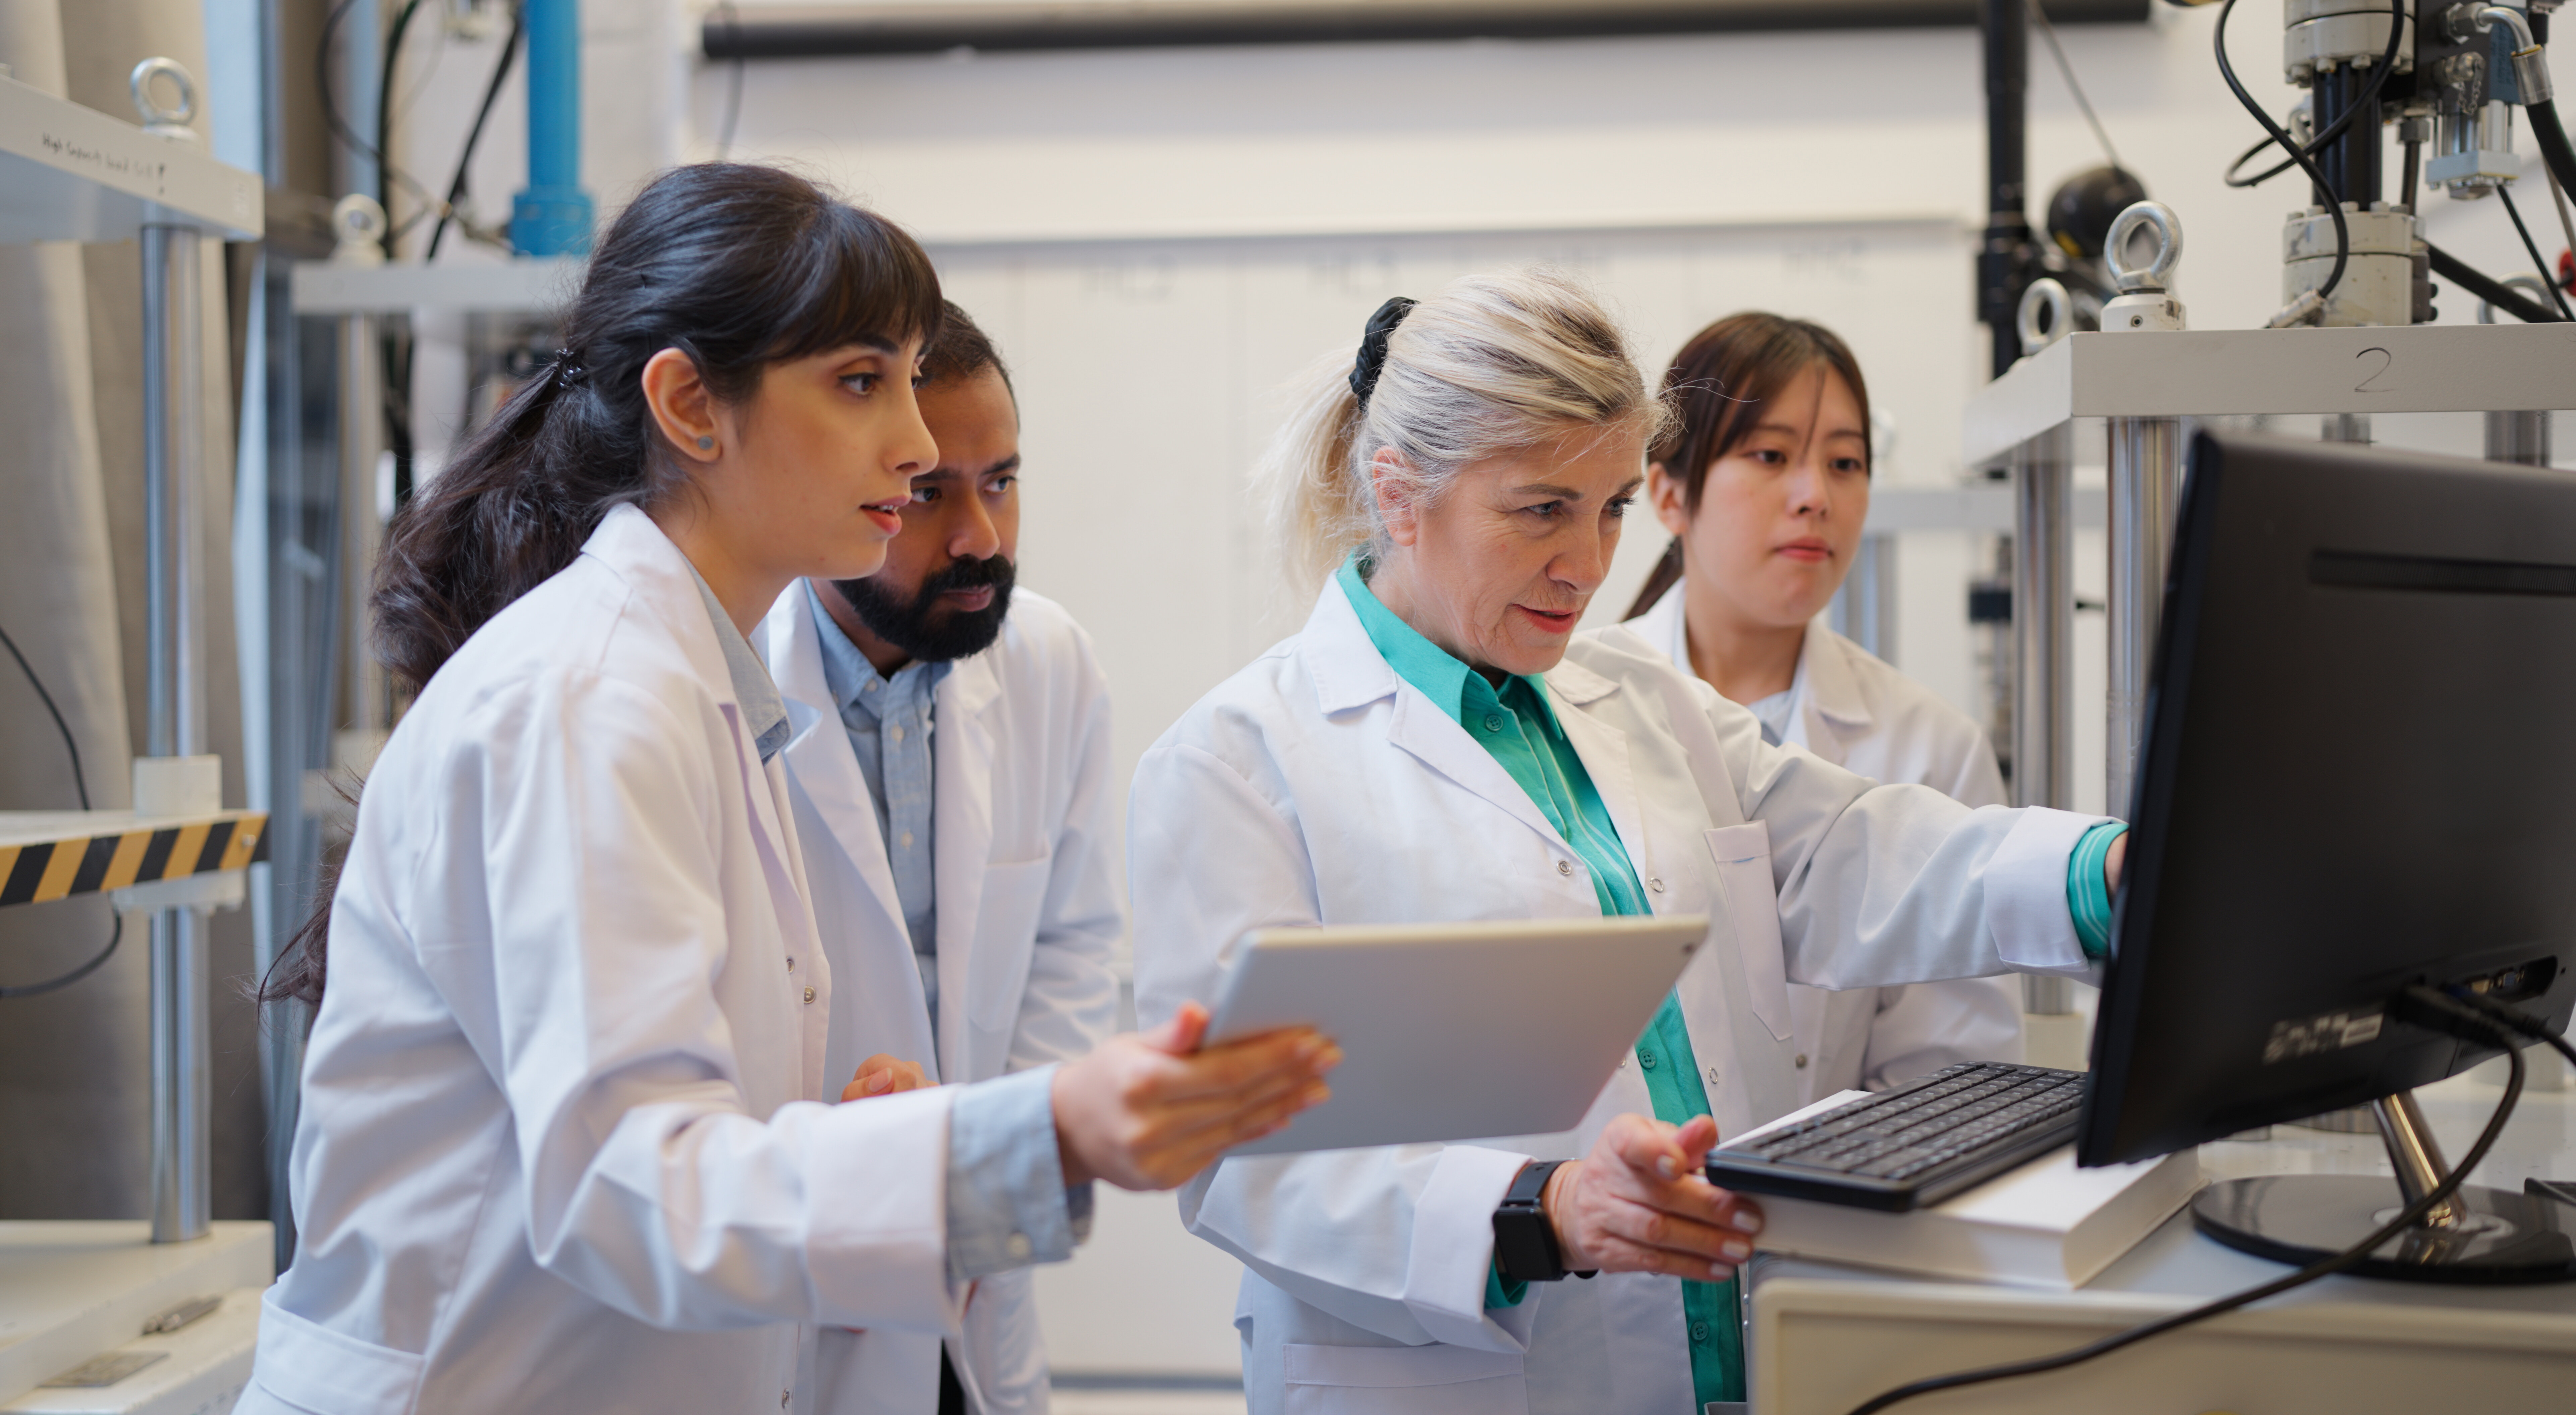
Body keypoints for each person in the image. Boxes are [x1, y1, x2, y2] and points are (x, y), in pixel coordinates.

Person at [240, 164, 1337, 1415]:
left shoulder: (693, 686)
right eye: (863, 382)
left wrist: (891, 1126)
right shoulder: (594, 700)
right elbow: (636, 1188)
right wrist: (1043, 1133)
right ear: (692, 407)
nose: (919, 445)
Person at [1127, 271, 2126, 1415]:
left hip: (1724, 1359)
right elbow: (1237, 1153)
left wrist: (2102, 873)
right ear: (1400, 494)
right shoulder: (1238, 764)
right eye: (1542, 509)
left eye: (1609, 509)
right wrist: (1540, 1211)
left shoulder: (1640, 696)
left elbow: (1852, 851)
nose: (1590, 565)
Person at [759, 302, 1118, 1415]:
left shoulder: (1048, 661)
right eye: (931, 494)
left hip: (973, 1274)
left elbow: (1073, 953)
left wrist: (984, 1200)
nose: (981, 538)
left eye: (1000, 482)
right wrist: (867, 1197)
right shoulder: (722, 684)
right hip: (782, 1276)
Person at [1624, 312, 2023, 1103]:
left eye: (1846, 462)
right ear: (1670, 494)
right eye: (1770, 456)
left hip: (1844, 1211)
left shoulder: (1927, 748)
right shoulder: (1575, 713)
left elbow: (1954, 1071)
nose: (1815, 497)